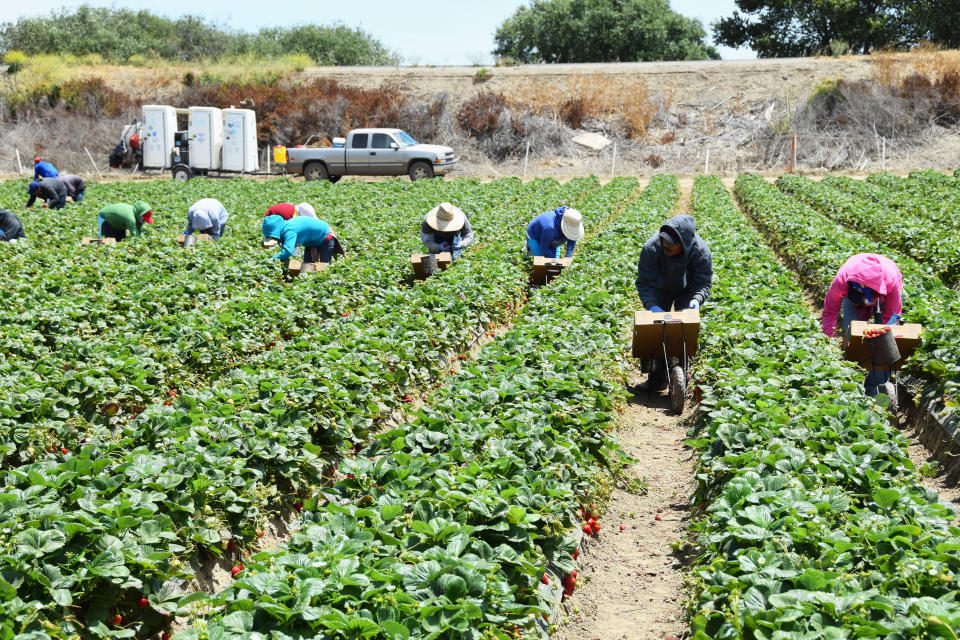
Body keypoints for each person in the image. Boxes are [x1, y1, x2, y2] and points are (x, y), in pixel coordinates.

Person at [633, 214, 713, 392]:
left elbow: (703, 282)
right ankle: (656, 379)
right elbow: (645, 283)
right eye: (664, 240)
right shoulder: (652, 248)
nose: (665, 244)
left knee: (684, 327)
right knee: (655, 327)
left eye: (671, 242)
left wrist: (696, 299)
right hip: (660, 287)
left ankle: (681, 371)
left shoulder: (700, 252)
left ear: (683, 244)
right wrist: (652, 306)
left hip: (688, 288)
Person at [822, 253, 903, 398]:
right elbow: (830, 312)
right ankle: (852, 382)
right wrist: (829, 339)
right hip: (852, 299)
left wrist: (883, 336)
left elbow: (892, 316)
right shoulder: (842, 280)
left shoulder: (891, 281)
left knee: (884, 344)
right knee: (853, 335)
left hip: (882, 300)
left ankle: (874, 387)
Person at [262, 214, 341, 265]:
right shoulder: (285, 227)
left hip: (325, 236)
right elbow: (286, 247)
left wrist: (273, 259)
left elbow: (287, 251)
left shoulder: (289, 230)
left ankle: (324, 284)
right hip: (311, 241)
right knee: (307, 264)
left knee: (324, 265)